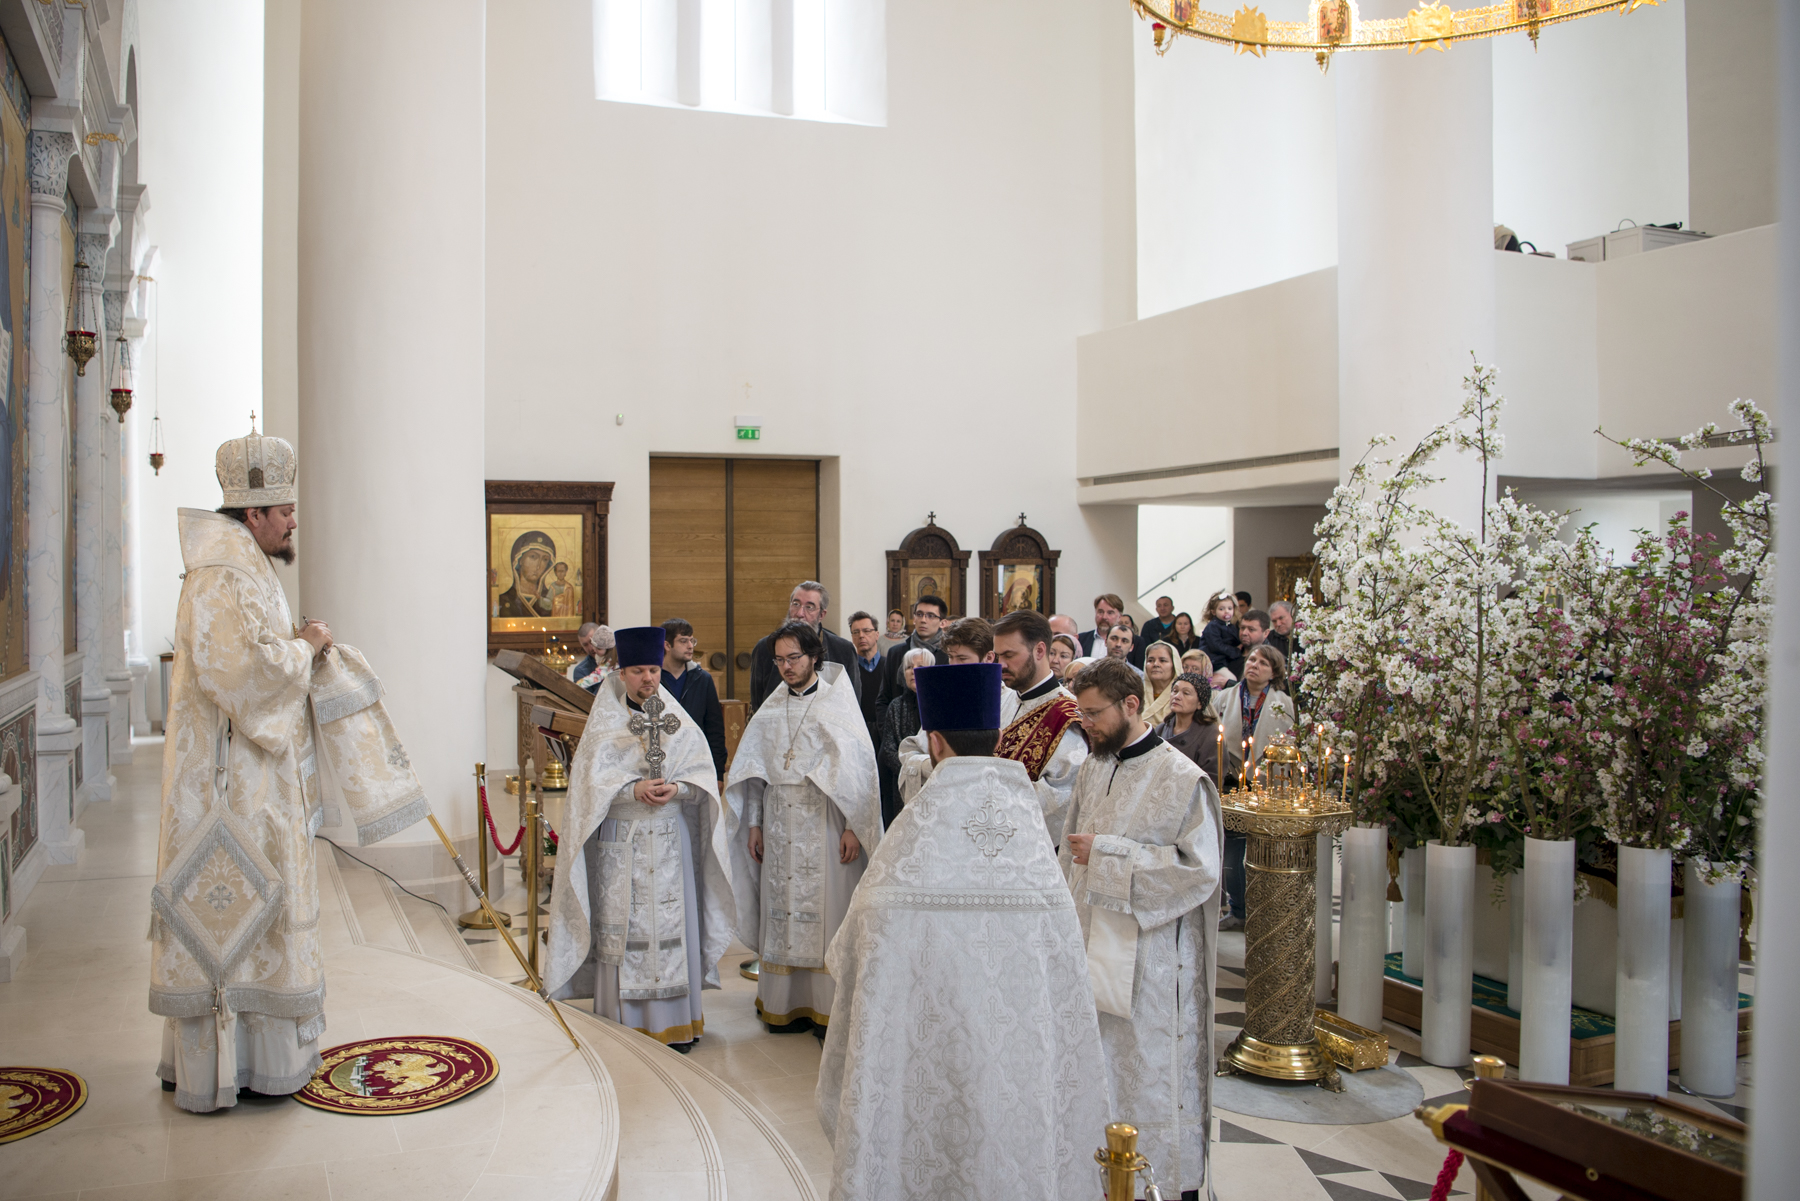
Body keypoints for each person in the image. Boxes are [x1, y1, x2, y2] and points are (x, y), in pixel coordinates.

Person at [153, 423, 429, 1112]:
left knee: (261, 917)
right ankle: (232, 1062)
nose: (293, 519)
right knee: (239, 921)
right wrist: (305, 646)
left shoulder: (244, 565)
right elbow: (240, 674)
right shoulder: (222, 572)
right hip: (231, 792)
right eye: (284, 511)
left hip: (255, 780)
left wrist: (303, 649)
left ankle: (259, 1055)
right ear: (253, 514)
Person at [817, 663, 1110, 1200]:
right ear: (998, 738)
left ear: (934, 741)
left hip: (923, 1062)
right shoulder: (1029, 831)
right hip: (1018, 1065)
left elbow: (855, 947)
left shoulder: (917, 831)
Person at [1061, 657, 1224, 1200]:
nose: (1086, 724)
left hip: (1152, 965)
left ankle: (1160, 1184)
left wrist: (1108, 855)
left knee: (1146, 1074)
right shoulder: (1094, 766)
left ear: (1132, 705)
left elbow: (1199, 871)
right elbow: (1070, 856)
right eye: (1081, 713)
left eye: (1094, 713)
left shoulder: (1182, 778)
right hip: (1092, 946)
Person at [547, 627, 736, 1052]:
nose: (647, 678)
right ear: (621, 672)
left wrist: (680, 789)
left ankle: (676, 1023)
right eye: (637, 671)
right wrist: (631, 790)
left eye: (653, 669)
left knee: (672, 927)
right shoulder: (605, 725)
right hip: (622, 841)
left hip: (669, 838)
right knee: (625, 931)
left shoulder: (677, 721)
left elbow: (700, 774)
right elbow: (586, 791)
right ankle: (624, 1025)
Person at [724, 621, 882, 1035]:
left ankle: (825, 1005)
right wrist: (754, 823)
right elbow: (755, 773)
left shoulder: (838, 703)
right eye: (779, 659)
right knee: (783, 909)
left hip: (825, 818)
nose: (786, 667)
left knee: (826, 910)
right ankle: (783, 1003)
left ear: (815, 656)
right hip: (779, 821)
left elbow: (860, 771)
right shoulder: (771, 707)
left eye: (794, 657)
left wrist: (852, 825)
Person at [1214, 643, 1296, 932]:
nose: (1254, 665)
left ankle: (1266, 909)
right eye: (1251, 659)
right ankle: (1238, 908)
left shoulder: (1284, 703)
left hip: (1268, 782)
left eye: (1262, 662)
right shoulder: (1225, 698)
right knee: (1234, 853)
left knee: (1265, 852)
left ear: (1274, 671)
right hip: (1233, 781)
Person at [991, 609, 1088, 844]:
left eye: (1009, 655)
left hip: (1028, 847)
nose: (1000, 665)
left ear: (1040, 650)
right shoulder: (1000, 699)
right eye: (997, 656)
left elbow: (1062, 801)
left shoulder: (1067, 715)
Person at [895, 617, 995, 803]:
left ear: (988, 658)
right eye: (951, 657)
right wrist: (937, 765)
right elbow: (911, 752)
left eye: (962, 658)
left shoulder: (1006, 701)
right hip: (947, 802)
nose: (954, 666)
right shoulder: (944, 697)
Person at [747, 581, 863, 712]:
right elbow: (757, 702)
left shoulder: (843, 650)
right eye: (796, 604)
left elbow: (853, 704)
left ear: (822, 615)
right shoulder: (765, 648)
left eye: (809, 607)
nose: (800, 613)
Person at [661, 617, 727, 780]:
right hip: (662, 761)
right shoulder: (653, 679)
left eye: (692, 640)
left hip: (695, 762)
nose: (690, 646)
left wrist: (718, 773)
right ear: (667, 645)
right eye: (683, 641)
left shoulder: (702, 679)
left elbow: (714, 728)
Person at [877, 647, 932, 827]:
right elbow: (888, 749)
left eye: (920, 666)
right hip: (902, 783)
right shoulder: (896, 706)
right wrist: (911, 771)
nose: (913, 671)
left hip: (934, 782)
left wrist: (928, 771)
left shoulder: (939, 702)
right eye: (909, 667)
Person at [876, 594, 948, 709]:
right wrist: (888, 725)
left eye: (930, 616)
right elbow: (884, 699)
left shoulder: (949, 655)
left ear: (942, 623)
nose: (923, 620)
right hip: (898, 721)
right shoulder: (895, 653)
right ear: (914, 618)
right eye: (919, 614)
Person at [1158, 672, 1221, 784]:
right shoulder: (1160, 730)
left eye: (1186, 693)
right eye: (1175, 691)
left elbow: (1212, 780)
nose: (1177, 696)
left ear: (1199, 704)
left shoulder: (1210, 734)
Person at [496, 530, 558, 617]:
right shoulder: (503, 600)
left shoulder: (552, 602)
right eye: (533, 557)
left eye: (545, 559)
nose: (538, 566)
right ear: (520, 560)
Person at [846, 610, 885, 743]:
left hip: (885, 733)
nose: (861, 636)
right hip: (856, 733)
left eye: (866, 631)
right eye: (856, 632)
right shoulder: (848, 670)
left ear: (877, 634)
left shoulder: (889, 666)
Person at [1199, 591, 1243, 680]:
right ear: (1213, 612)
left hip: (1225, 660)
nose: (1226, 611)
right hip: (1214, 661)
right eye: (1221, 609)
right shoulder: (1213, 626)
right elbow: (1216, 646)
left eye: (1230, 608)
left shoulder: (1231, 626)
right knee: (1232, 679)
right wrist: (1235, 651)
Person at [1140, 640, 1180, 727]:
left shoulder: (1182, 696)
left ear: (1174, 665)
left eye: (1162, 660)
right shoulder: (1135, 693)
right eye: (1150, 660)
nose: (1155, 664)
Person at [571, 623, 616, 693]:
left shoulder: (616, 660)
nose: (591, 648)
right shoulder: (580, 670)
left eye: (592, 642)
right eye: (585, 645)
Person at [1077, 593, 1126, 657]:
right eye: (1100, 612)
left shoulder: (1129, 643)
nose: (1104, 617)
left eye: (1110, 613)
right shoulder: (1081, 640)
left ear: (1119, 617)